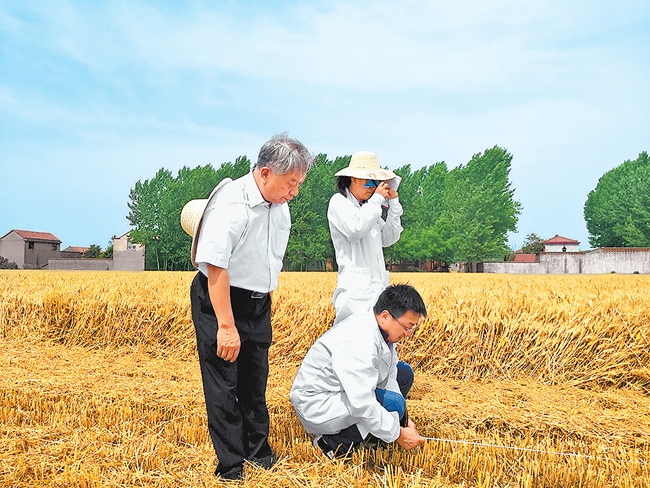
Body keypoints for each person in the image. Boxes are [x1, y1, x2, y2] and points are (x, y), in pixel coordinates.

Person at [182, 133, 314, 481]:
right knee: (224, 383)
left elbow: (267, 256)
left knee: (255, 380)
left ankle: (259, 452)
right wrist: (226, 326)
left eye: (299, 184)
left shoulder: (280, 206)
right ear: (266, 173)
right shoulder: (232, 205)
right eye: (291, 183)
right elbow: (216, 268)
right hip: (221, 300)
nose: (294, 192)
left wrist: (267, 295)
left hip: (257, 302)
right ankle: (231, 465)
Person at [290, 284, 427, 458]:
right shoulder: (359, 339)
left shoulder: (383, 331)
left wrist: (402, 420)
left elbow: (391, 374)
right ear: (385, 316)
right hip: (318, 402)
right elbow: (362, 402)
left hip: (344, 389)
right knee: (392, 403)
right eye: (407, 327)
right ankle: (331, 445)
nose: (408, 334)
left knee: (404, 374)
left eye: (413, 328)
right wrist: (398, 433)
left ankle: (373, 433)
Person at [327, 151, 413, 398]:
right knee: (353, 352)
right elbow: (355, 230)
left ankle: (381, 404)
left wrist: (393, 204)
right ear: (353, 179)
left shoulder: (370, 208)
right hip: (354, 295)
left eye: (378, 183)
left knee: (385, 354)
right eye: (370, 182)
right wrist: (377, 201)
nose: (374, 187)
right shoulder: (339, 203)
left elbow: (389, 238)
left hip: (377, 292)